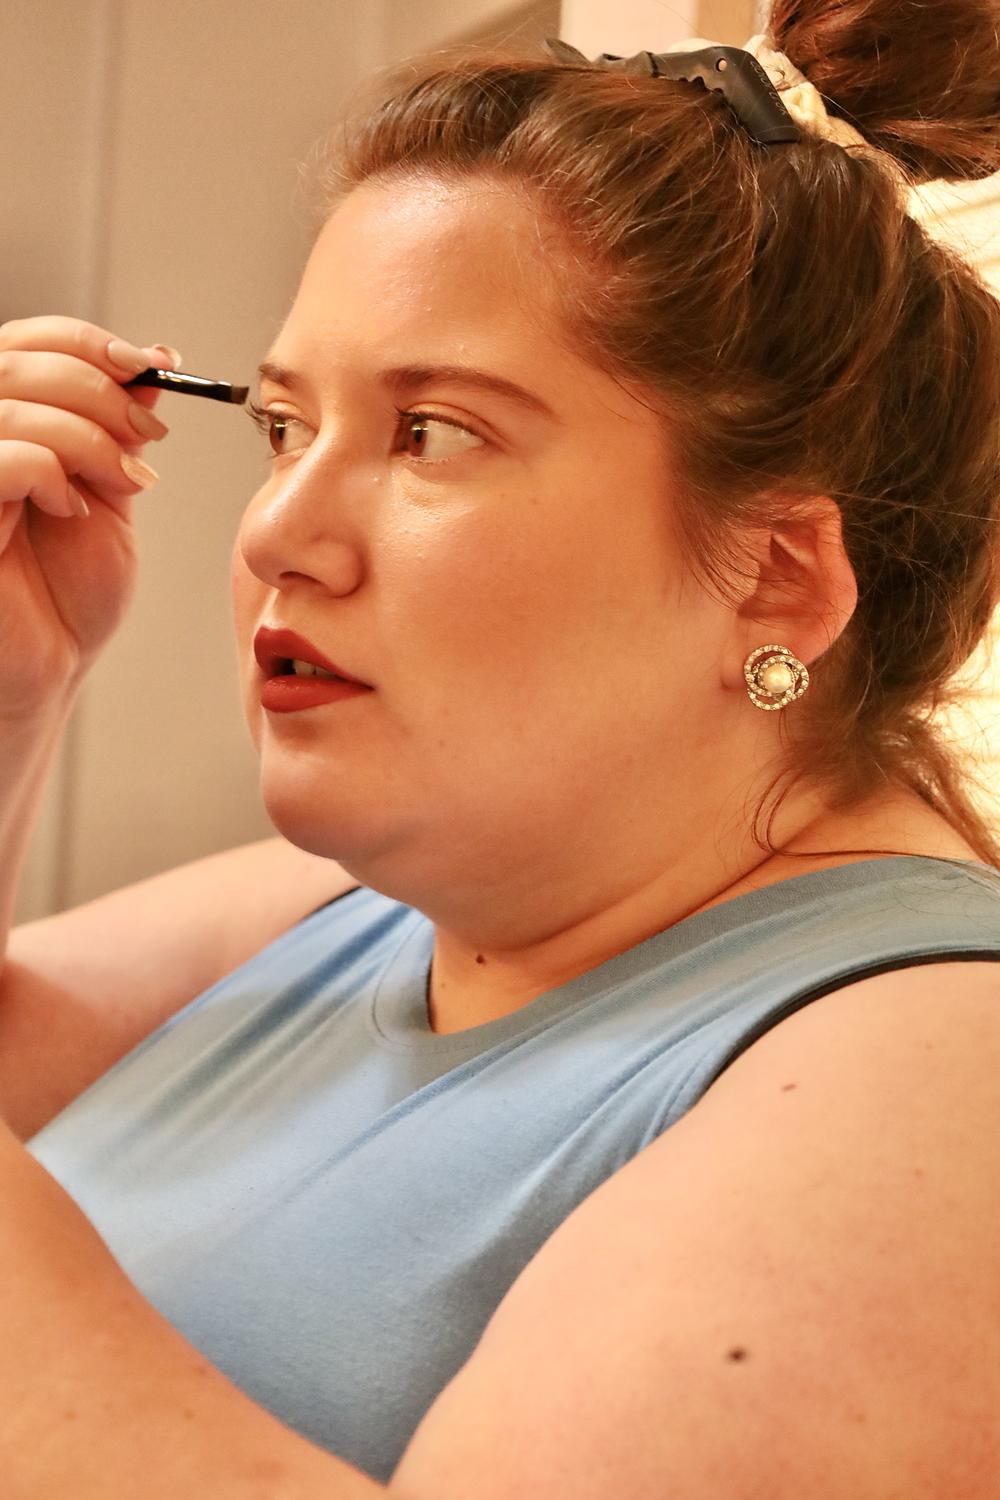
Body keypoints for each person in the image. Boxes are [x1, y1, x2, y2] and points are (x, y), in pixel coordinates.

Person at [1, 0, 999, 1493]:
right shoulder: (371, 910)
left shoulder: (940, 1077)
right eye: (283, 427)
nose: (276, 533)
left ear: (779, 576)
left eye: (433, 434)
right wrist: (14, 701)